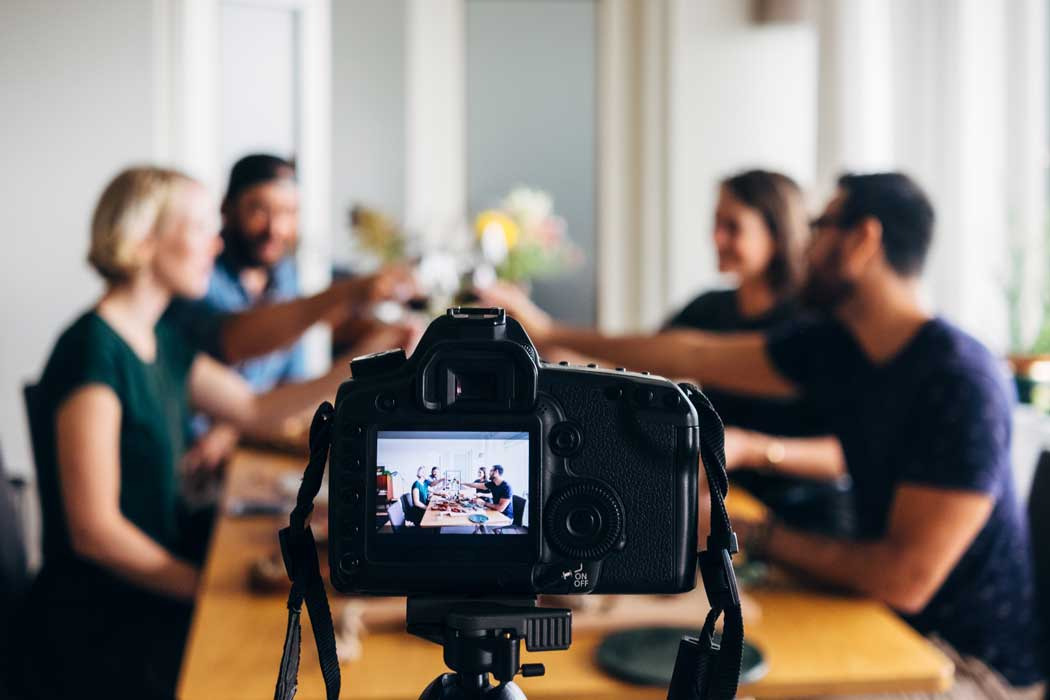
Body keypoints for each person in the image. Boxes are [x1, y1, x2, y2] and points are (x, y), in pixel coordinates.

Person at [481, 172, 1045, 694]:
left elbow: (905, 580)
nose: (806, 243)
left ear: (863, 241)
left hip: (965, 664)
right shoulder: (839, 350)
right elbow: (692, 350)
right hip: (875, 617)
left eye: (822, 227)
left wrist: (752, 533)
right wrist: (550, 332)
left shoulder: (959, 379)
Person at [14, 167, 389, 700]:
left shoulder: (159, 338)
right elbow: (94, 530)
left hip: (148, 596)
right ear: (142, 240)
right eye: (198, 227)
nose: (216, 243)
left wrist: (365, 362)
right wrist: (206, 589)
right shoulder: (92, 351)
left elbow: (254, 409)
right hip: (104, 625)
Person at [168, 154, 417, 469]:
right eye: (259, 210)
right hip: (193, 462)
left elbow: (277, 392)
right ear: (227, 208)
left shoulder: (286, 276)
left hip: (252, 444)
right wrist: (347, 293)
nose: (276, 228)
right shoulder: (197, 280)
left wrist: (370, 356)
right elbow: (234, 340)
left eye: (288, 212)